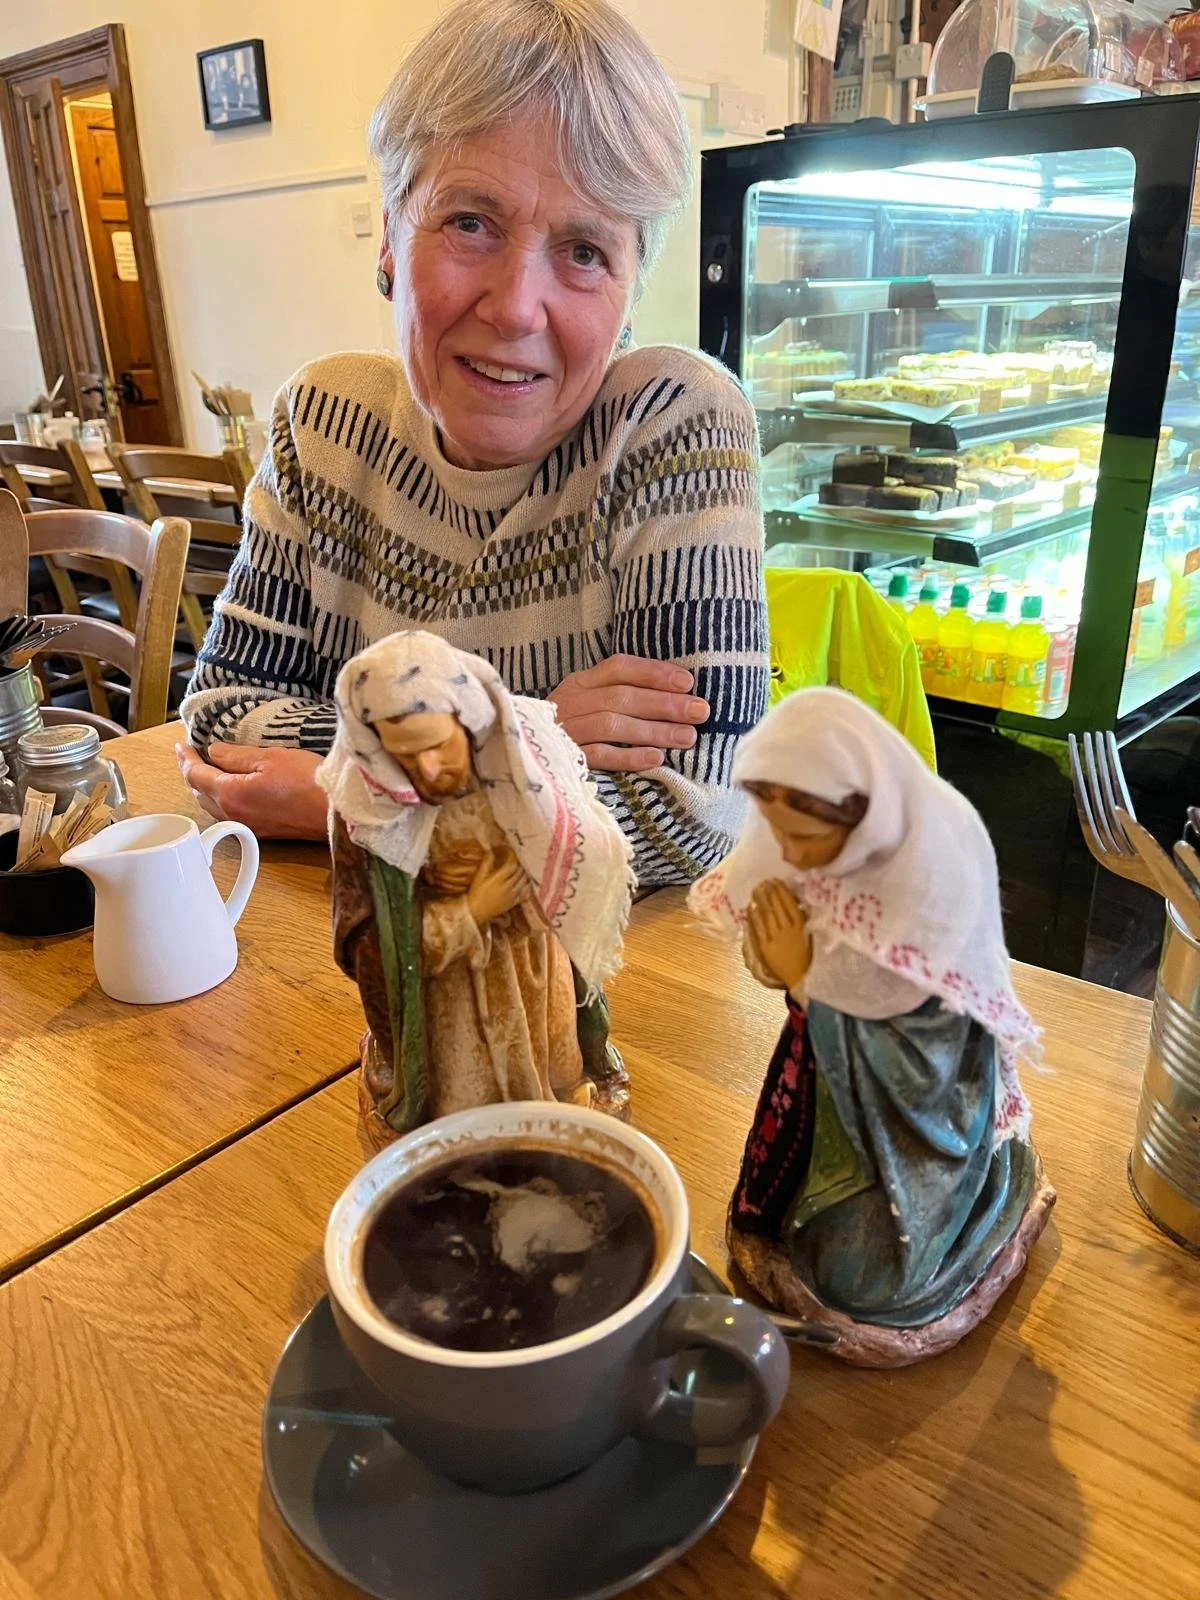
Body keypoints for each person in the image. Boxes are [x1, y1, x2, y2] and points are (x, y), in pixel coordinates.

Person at [179, 0, 768, 886]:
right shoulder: (322, 421)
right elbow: (222, 721)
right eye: (470, 222)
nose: (516, 307)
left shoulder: (674, 424)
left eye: (583, 250)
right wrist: (531, 729)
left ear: (631, 286)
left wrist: (355, 799)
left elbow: (688, 813)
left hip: (605, 997)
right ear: (387, 233)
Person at [690, 689, 1054, 1361]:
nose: (791, 857)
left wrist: (805, 979)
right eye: (777, 834)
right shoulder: (803, 847)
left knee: (859, 1280)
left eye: (803, 838)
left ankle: (991, 1199)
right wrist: (783, 966)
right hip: (825, 1099)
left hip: (908, 1131)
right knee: (783, 1226)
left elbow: (930, 1070)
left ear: (863, 818)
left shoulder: (930, 876)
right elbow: (773, 931)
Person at [323, 632, 633, 1148]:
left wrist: (519, 879)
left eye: (437, 746)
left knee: (554, 1083)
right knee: (467, 1114)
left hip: (533, 975)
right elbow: (371, 943)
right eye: (404, 755)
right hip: (451, 1002)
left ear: (468, 722)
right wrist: (465, 909)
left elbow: (577, 866)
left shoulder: (521, 770)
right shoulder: (368, 815)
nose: (426, 771)